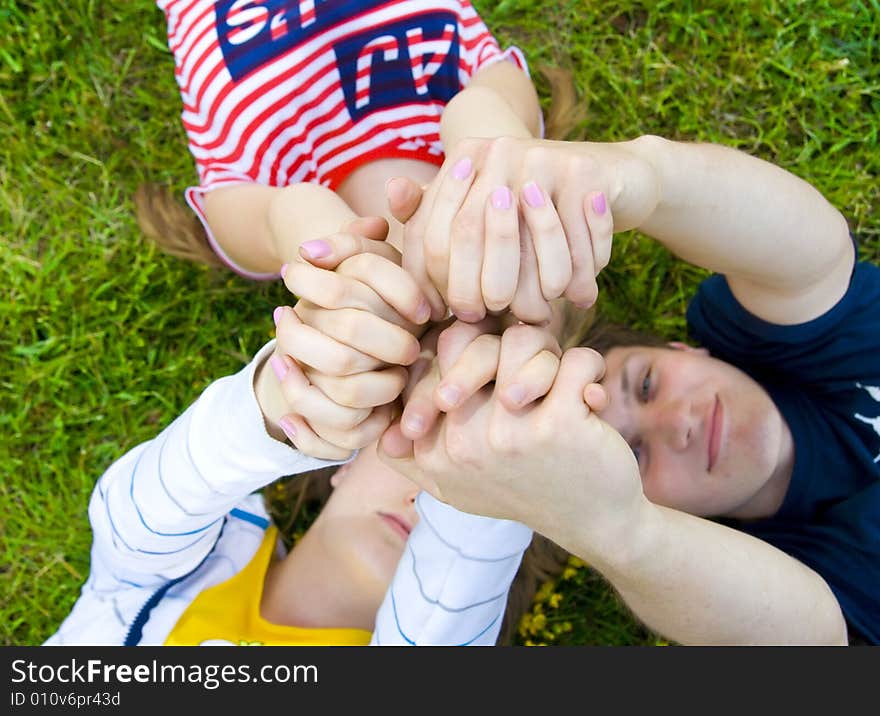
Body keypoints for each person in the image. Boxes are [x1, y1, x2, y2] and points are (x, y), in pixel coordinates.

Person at [377, 133, 879, 645]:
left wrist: (630, 177)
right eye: (634, 455)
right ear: (657, 508)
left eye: (647, 384)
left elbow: (816, 258)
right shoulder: (777, 577)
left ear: (682, 350)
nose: (678, 423)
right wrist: (613, 528)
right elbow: (816, 641)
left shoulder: (766, 335)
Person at [46, 309, 590, 646]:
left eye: (467, 482)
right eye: (420, 435)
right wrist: (285, 403)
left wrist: (489, 498)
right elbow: (140, 514)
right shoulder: (193, 562)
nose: (425, 497)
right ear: (346, 462)